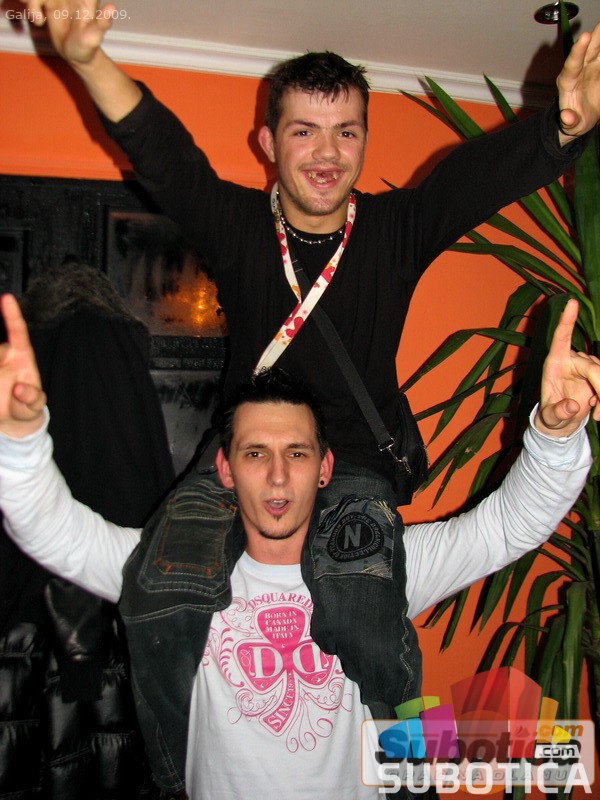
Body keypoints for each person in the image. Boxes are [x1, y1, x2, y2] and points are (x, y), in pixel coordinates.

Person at [0, 294, 598, 799]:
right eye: (255, 453)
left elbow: (506, 527)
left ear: (325, 468)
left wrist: (554, 434)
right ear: (225, 469)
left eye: (297, 453)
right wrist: (21, 440)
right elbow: (53, 531)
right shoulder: (167, 569)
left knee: (543, 745)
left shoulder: (380, 563)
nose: (279, 477)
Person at [0, 263, 175, 797]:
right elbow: (131, 483)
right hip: (100, 619)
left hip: (30, 611)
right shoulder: (109, 344)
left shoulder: (41, 349)